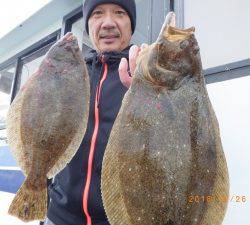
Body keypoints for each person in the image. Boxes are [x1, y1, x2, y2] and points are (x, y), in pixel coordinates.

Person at [44, 0, 175, 224]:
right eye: (97, 14)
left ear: (131, 24)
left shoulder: (148, 74)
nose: (108, 23)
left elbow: (171, 143)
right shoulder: (70, 74)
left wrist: (150, 94)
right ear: (87, 25)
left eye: (119, 13)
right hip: (58, 216)